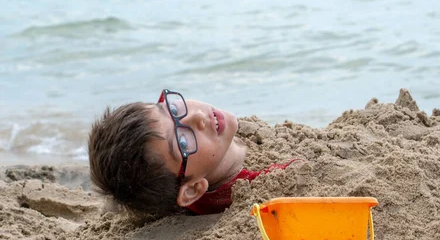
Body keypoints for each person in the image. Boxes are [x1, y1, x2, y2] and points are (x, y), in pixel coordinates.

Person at [88, 89, 294, 216]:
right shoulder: (273, 184)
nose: (197, 116)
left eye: (173, 110)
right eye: (183, 142)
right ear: (192, 190)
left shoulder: (205, 151)